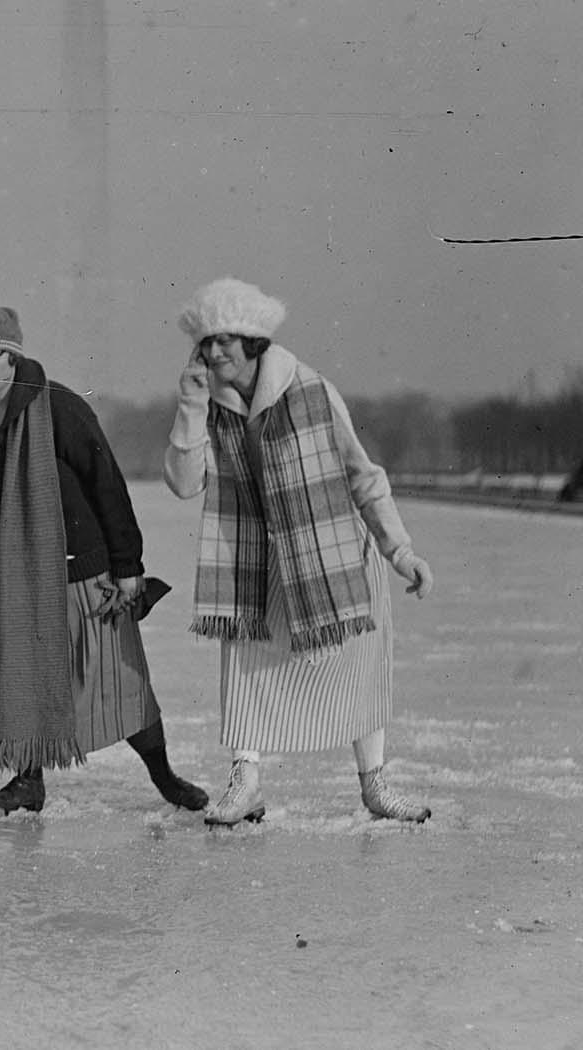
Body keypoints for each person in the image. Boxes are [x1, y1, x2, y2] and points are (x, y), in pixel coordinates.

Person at [163, 278, 436, 825]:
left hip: (332, 559)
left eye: (226, 340)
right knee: (245, 670)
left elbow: (363, 476)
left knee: (358, 670)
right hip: (255, 564)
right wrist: (190, 407)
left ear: (254, 343)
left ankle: (375, 784)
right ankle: (246, 784)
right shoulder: (206, 404)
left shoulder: (311, 389)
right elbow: (183, 482)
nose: (214, 352)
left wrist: (400, 551)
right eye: (207, 341)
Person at [0, 307, 207, 816]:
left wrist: (128, 565)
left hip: (84, 571)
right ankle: (27, 781)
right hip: (8, 577)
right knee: (13, 680)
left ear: (14, 357)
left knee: (118, 683)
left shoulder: (56, 406)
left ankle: (165, 777)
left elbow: (106, 481)